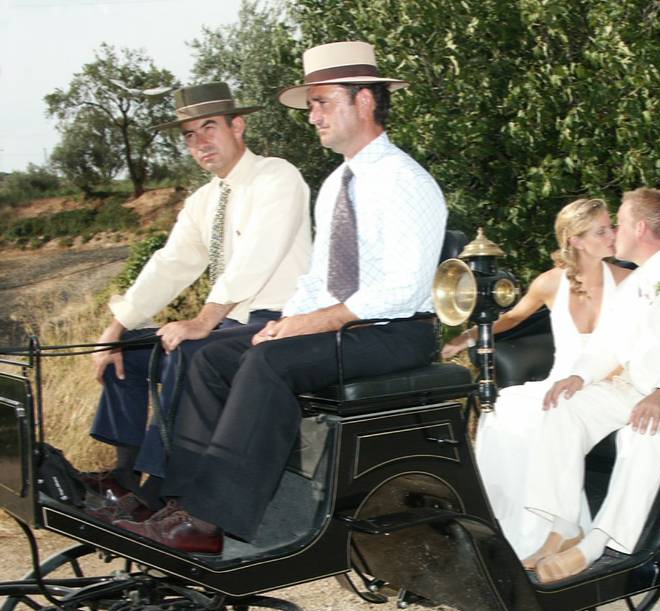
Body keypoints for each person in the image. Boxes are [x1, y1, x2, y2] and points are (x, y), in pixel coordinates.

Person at [117, 41, 448, 553]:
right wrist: (287, 319)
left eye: (322, 102)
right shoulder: (337, 183)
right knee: (208, 356)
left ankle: (212, 521)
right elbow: (318, 279)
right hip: (346, 326)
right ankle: (178, 500)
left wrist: (309, 325)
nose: (312, 116)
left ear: (364, 101)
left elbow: (401, 289)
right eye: (311, 104)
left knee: (269, 362)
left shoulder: (406, 181)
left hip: (396, 333)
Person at [87, 82, 311, 517]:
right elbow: (170, 264)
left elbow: (255, 257)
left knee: (188, 349)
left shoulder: (277, 177)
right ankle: (124, 476)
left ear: (238, 125)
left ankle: (165, 494)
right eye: (189, 135)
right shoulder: (204, 201)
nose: (200, 142)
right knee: (129, 350)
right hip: (229, 324)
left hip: (277, 323)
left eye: (209, 127)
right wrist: (116, 327)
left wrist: (203, 319)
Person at [523, 188, 660, 583]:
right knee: (563, 408)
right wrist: (578, 376)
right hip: (631, 387)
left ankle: (598, 543)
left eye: (619, 220)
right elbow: (610, 342)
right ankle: (565, 525)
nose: (614, 229)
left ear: (640, 227)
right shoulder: (637, 280)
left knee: (642, 431)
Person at [443, 198, 629, 558]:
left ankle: (558, 533)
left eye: (612, 228)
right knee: (504, 411)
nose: (613, 235)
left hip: (604, 384)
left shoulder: (628, 281)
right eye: (602, 230)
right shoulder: (549, 283)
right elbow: (512, 318)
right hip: (559, 382)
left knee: (546, 416)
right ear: (575, 240)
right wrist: (468, 337)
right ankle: (505, 531)